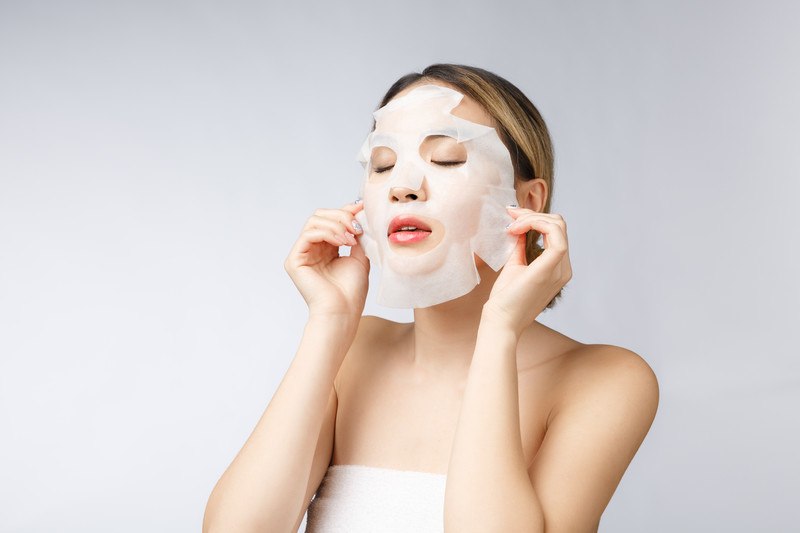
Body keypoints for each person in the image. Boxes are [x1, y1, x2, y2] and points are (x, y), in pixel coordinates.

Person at [202, 64, 660, 533]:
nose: (403, 186)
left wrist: (499, 331)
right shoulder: (354, 350)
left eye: (446, 160)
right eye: (382, 165)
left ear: (528, 200)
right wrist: (329, 320)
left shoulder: (605, 382)